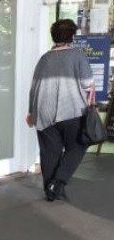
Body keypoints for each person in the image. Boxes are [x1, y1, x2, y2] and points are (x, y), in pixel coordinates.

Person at [26, 19, 94, 201]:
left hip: (43, 111)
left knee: (50, 152)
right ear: (72, 36)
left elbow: (34, 87)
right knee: (78, 145)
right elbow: (87, 84)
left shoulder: (45, 58)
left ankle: (50, 191)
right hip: (72, 110)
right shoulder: (78, 56)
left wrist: (31, 112)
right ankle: (59, 182)